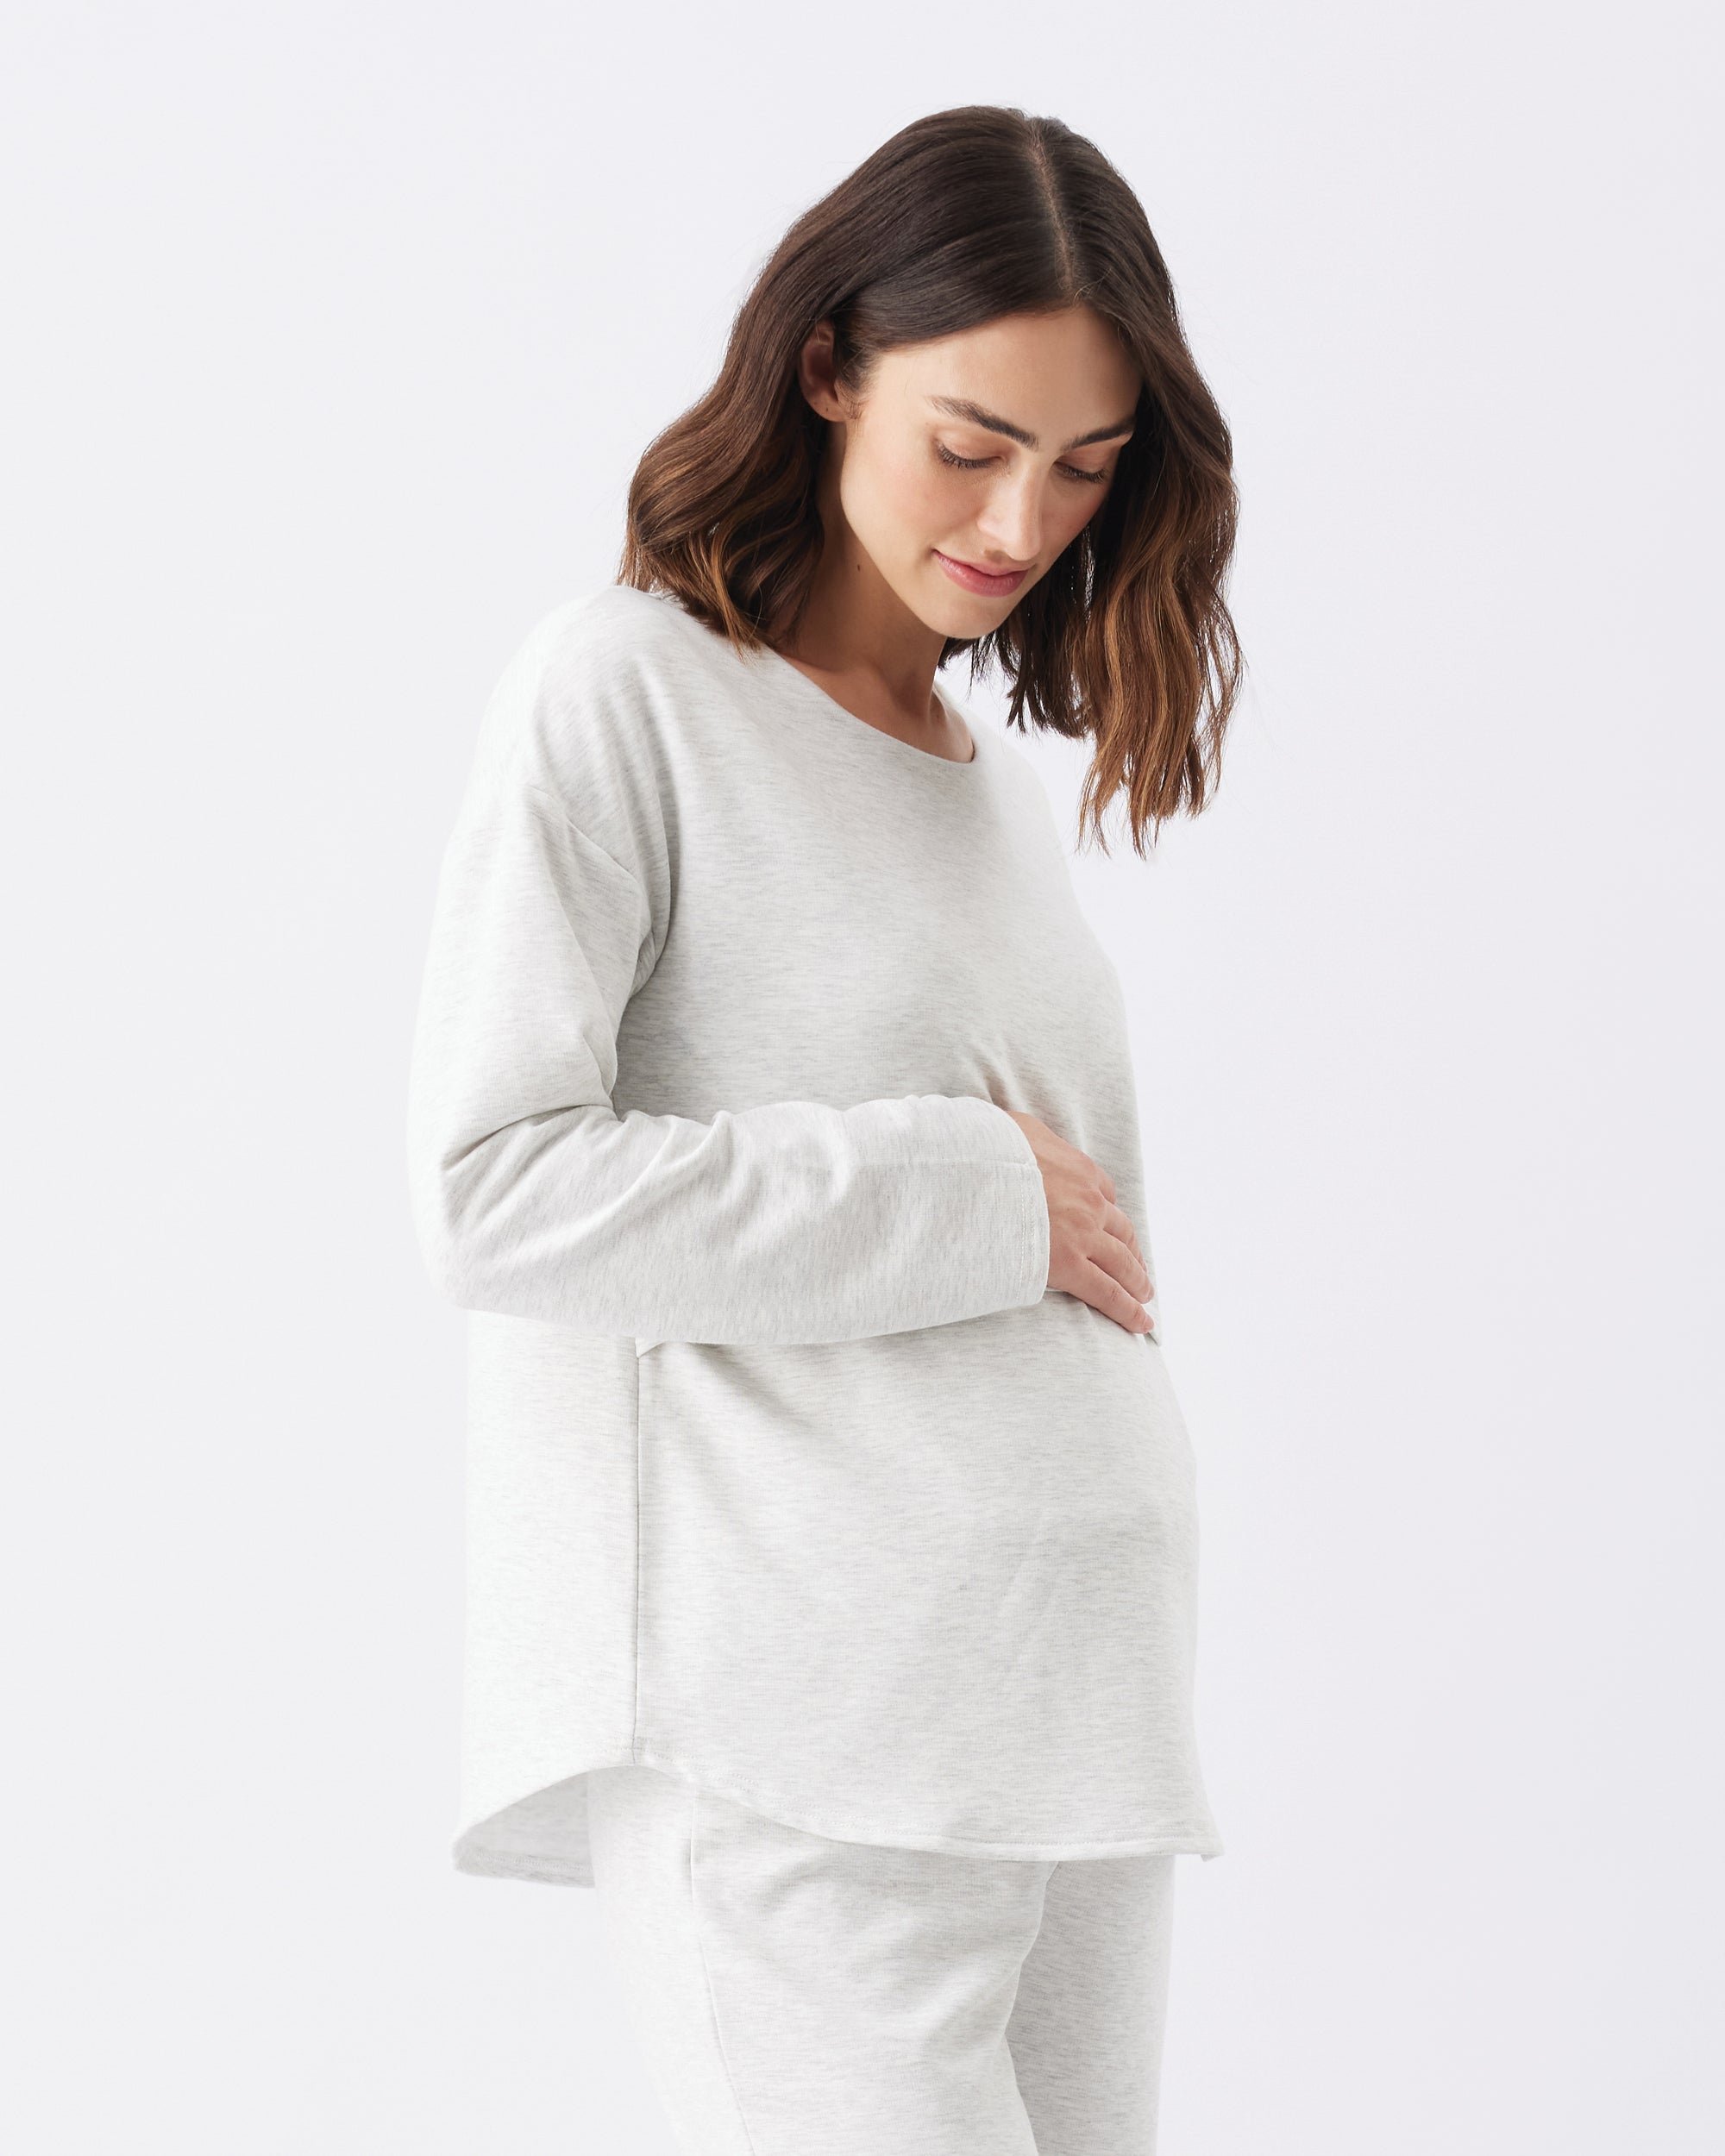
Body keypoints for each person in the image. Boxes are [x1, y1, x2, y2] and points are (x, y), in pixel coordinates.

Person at [405, 101, 1242, 2156]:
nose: (1022, 518)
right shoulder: (627, 692)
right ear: (826, 367)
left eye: (1084, 464)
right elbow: (494, 1186)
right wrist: (964, 1187)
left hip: (1070, 1701)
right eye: (973, 441)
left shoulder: (979, 781)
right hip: (803, 1708)